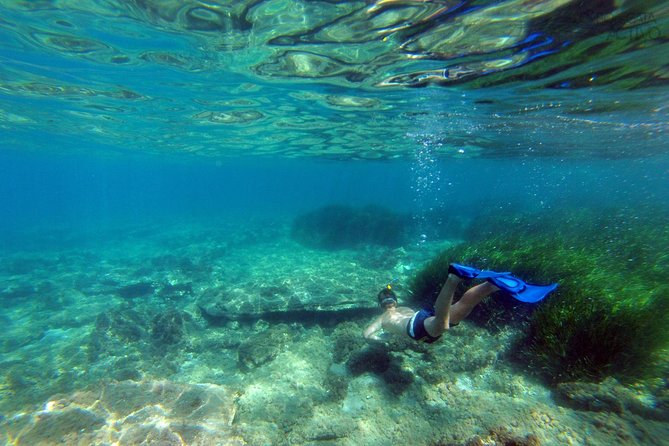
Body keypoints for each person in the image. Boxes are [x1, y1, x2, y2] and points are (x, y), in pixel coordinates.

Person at [363, 263, 558, 343]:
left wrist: (380, 340)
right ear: (394, 301)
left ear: (381, 305)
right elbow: (414, 315)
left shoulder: (381, 318)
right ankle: (492, 285)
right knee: (462, 307)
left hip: (416, 328)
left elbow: (366, 334)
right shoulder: (404, 307)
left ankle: (454, 277)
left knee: (443, 325)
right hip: (420, 316)